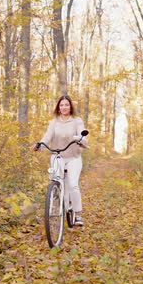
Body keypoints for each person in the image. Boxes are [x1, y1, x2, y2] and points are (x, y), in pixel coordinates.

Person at [32, 95, 88, 226]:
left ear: (70, 107)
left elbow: (81, 133)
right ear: (58, 107)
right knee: (57, 181)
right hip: (57, 156)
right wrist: (40, 144)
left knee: (73, 185)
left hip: (73, 157)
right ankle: (62, 202)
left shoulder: (76, 121)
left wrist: (81, 139)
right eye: (61, 105)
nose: (64, 107)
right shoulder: (54, 122)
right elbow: (47, 136)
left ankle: (78, 214)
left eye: (67, 105)